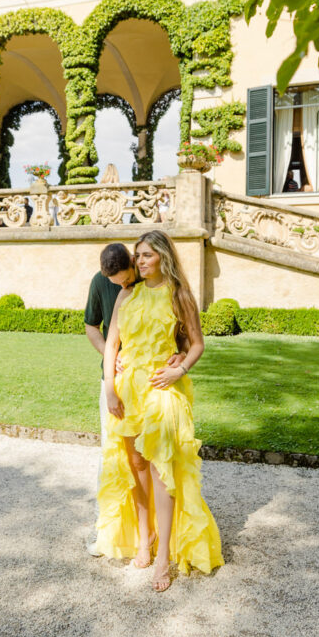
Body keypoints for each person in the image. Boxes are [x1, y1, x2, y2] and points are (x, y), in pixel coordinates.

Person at [94, 230, 223, 591]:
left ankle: (163, 556)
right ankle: (143, 539)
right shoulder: (126, 293)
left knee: (162, 469)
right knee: (135, 467)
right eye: (138, 255)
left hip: (162, 387)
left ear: (163, 256)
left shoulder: (179, 294)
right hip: (127, 390)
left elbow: (196, 344)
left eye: (147, 255)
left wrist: (180, 367)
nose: (140, 261)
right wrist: (109, 388)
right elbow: (111, 346)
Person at [83, 242, 185, 555]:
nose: (124, 285)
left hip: (152, 384)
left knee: (158, 459)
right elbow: (92, 327)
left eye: (126, 280)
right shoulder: (102, 281)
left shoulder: (148, 278)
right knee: (114, 455)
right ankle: (111, 531)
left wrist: (180, 357)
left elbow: (178, 332)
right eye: (117, 283)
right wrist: (110, 358)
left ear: (133, 262)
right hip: (116, 382)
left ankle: (160, 533)